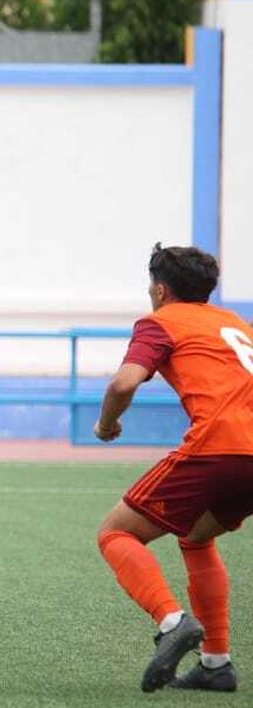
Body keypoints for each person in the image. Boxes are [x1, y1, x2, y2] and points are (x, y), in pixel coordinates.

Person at [93, 244, 253, 692]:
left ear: (160, 290)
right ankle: (216, 665)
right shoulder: (236, 324)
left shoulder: (160, 322)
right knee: (196, 536)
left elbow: (124, 381)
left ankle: (172, 622)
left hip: (218, 448)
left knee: (116, 534)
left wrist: (108, 424)